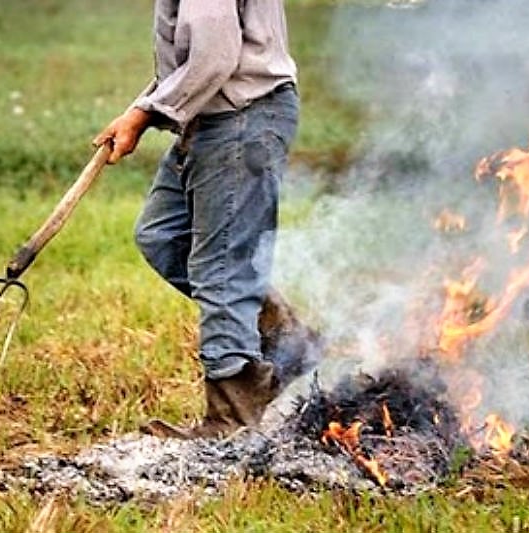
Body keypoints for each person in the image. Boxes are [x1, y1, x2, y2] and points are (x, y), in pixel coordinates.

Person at [93, 0, 310, 439]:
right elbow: (195, 58)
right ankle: (287, 343)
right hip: (211, 117)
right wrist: (142, 109)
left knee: (222, 271)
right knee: (162, 235)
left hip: (241, 117)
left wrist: (144, 113)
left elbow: (213, 57)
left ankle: (232, 420)